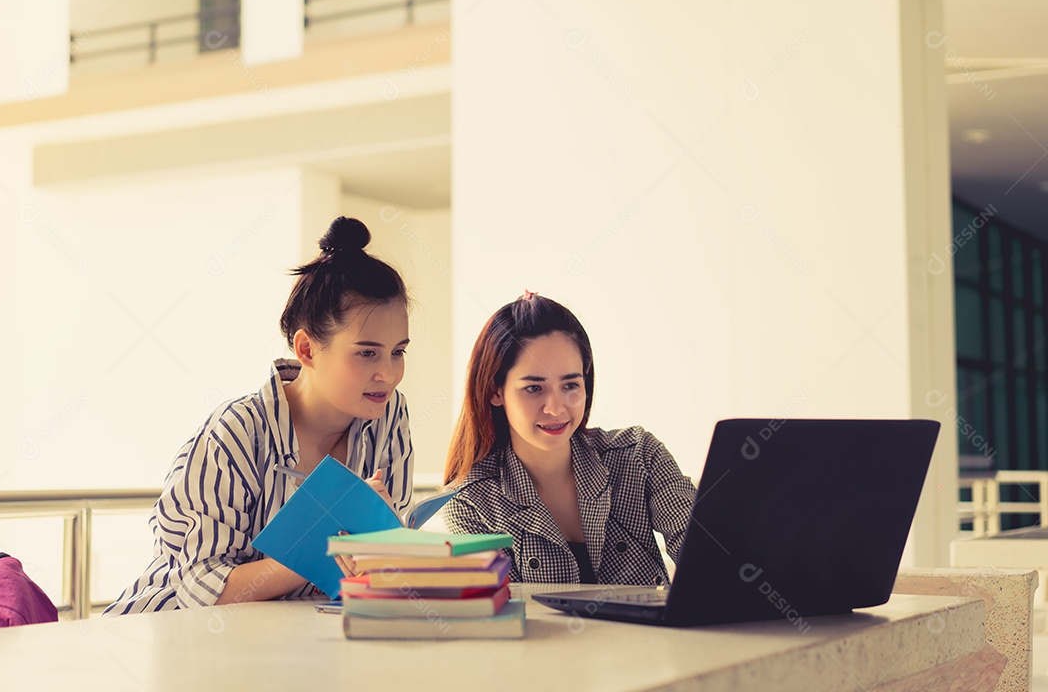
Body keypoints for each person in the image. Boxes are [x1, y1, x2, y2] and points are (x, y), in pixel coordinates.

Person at [105, 217, 413, 614]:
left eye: (398, 352)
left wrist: (382, 548)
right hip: (172, 632)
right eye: (367, 352)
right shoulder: (236, 432)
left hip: (295, 638)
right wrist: (323, 543)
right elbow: (203, 591)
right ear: (306, 350)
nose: (388, 374)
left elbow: (378, 567)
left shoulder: (389, 417)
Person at [442, 292, 696, 586]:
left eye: (570, 385)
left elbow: (708, 556)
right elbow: (500, 607)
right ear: (495, 391)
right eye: (534, 388)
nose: (556, 408)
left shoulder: (639, 456)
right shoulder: (470, 502)